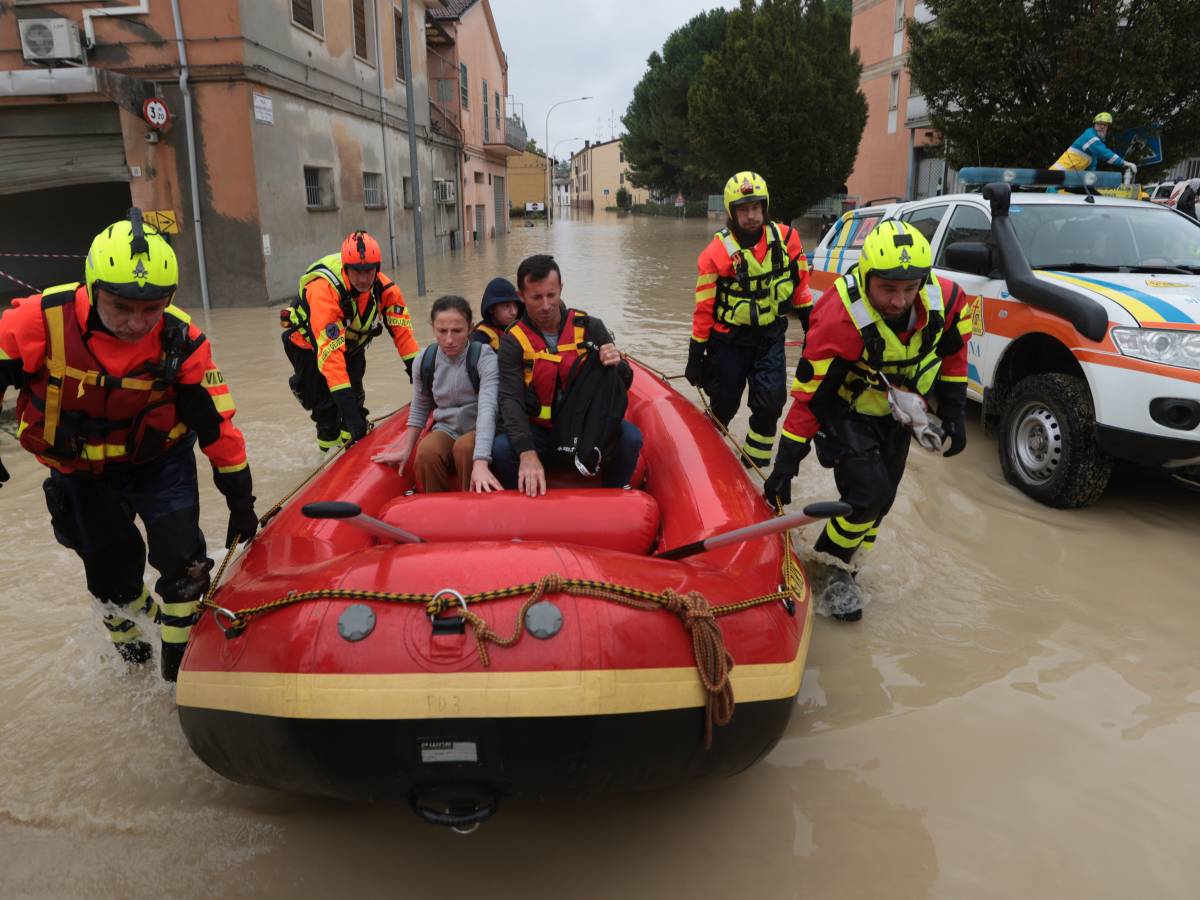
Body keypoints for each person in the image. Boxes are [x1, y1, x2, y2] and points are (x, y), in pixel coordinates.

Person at [0, 210, 258, 681]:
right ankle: (134, 660)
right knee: (108, 575)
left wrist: (241, 500)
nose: (138, 323)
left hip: (160, 463)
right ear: (93, 288)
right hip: (79, 472)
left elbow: (218, 427)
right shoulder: (38, 322)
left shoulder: (184, 342)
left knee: (185, 565)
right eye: (122, 307)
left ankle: (179, 677)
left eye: (151, 308)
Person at [762, 220, 972, 622]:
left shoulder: (947, 299)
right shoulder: (838, 316)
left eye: (909, 289)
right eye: (888, 289)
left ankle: (851, 567)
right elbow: (810, 397)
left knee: (884, 500)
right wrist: (786, 462)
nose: (899, 300)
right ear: (867, 275)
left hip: (896, 416)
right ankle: (829, 565)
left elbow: (953, 354)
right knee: (868, 493)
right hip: (843, 412)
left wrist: (954, 412)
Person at [685, 171, 813, 469]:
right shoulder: (715, 254)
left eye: (756, 207)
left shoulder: (788, 240)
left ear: (765, 207)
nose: (752, 215)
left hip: (770, 338)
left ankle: (753, 468)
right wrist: (695, 354)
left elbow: (802, 288)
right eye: (743, 209)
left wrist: (812, 330)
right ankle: (707, 459)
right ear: (732, 212)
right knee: (724, 403)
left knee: (771, 404)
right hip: (729, 340)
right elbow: (703, 309)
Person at [491, 254, 643, 497]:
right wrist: (526, 452)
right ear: (521, 297)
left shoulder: (591, 327)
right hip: (539, 431)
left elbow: (621, 384)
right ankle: (520, 508)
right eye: (536, 297)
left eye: (552, 295)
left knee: (631, 438)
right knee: (501, 450)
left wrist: (618, 364)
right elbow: (510, 399)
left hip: (585, 427)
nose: (545, 305)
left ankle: (612, 498)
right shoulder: (512, 341)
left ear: (561, 288)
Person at [281, 230, 419, 451]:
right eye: (357, 272)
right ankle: (325, 456)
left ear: (378, 268)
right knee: (327, 413)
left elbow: (405, 337)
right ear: (346, 269)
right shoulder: (324, 292)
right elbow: (331, 358)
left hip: (351, 347)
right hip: (306, 346)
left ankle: (351, 445)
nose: (364, 279)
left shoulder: (387, 290)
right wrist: (348, 413)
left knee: (356, 403)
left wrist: (420, 378)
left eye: (369, 271)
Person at [372, 295, 502, 493]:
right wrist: (406, 450)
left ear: (470, 328)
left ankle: (474, 504)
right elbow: (420, 406)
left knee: (465, 448)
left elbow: (487, 409)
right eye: (442, 331)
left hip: (476, 428)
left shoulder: (484, 357)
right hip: (445, 428)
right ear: (433, 328)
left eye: (457, 331)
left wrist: (481, 461)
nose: (449, 339)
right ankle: (437, 510)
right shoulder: (425, 360)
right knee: (426, 452)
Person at [1052, 112, 1137, 179]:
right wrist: (1124, 163)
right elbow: (1105, 154)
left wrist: (1091, 182)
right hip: (1057, 176)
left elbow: (1092, 167)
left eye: (1105, 125)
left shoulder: (1093, 147)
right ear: (1095, 124)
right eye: (1100, 124)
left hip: (1066, 178)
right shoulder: (1091, 138)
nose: (1102, 127)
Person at [471, 276, 523, 350]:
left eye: (516, 305)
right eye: (506, 306)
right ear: (491, 309)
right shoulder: (480, 337)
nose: (514, 312)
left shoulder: (520, 328)